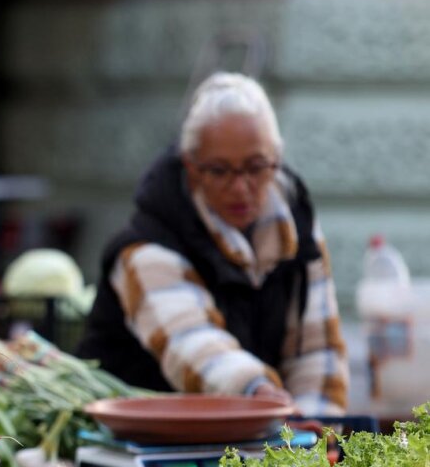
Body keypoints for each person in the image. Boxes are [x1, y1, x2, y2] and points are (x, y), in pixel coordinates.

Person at [78, 73, 347, 417]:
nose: (240, 188)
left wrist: (317, 432)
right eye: (219, 171)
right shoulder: (144, 247)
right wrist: (260, 394)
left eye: (256, 167)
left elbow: (317, 350)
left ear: (276, 161)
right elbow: (193, 345)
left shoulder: (298, 233)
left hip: (251, 431)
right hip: (145, 434)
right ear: (192, 167)